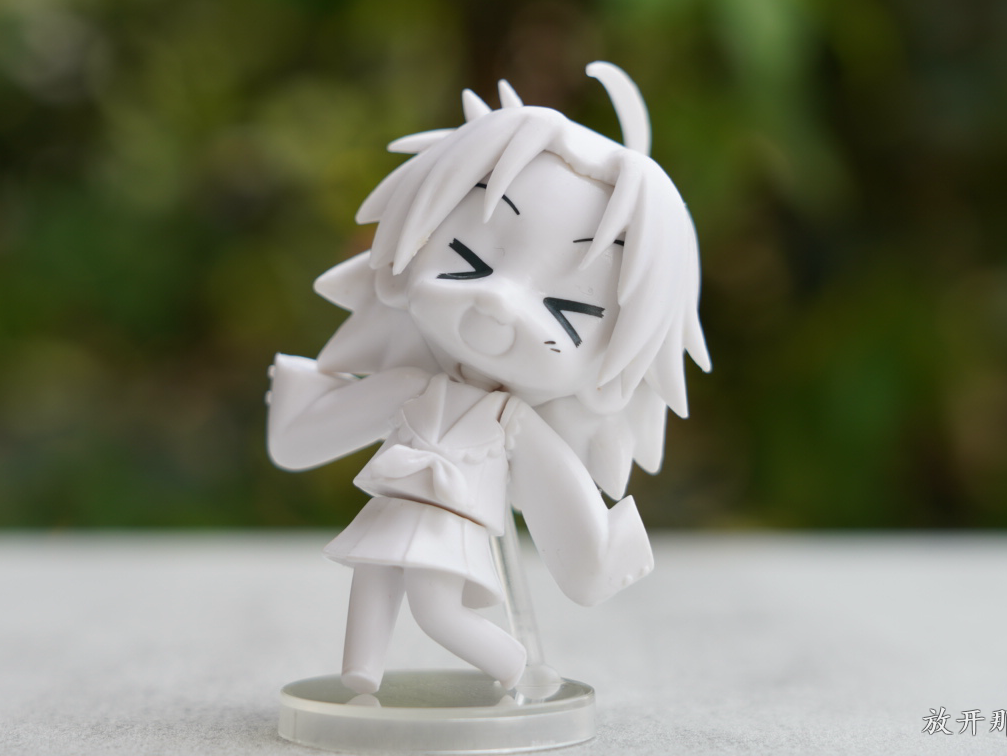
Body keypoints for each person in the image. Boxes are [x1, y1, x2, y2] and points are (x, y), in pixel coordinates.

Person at [267, 62, 710, 695]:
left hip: (454, 520)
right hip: (396, 498)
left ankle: (515, 669)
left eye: (570, 310)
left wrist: (596, 555)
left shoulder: (510, 421)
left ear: (612, 372)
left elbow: (556, 488)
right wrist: (296, 397)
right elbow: (318, 433)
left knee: (435, 609)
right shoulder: (410, 386)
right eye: (469, 259)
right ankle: (360, 676)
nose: (499, 301)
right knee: (372, 574)